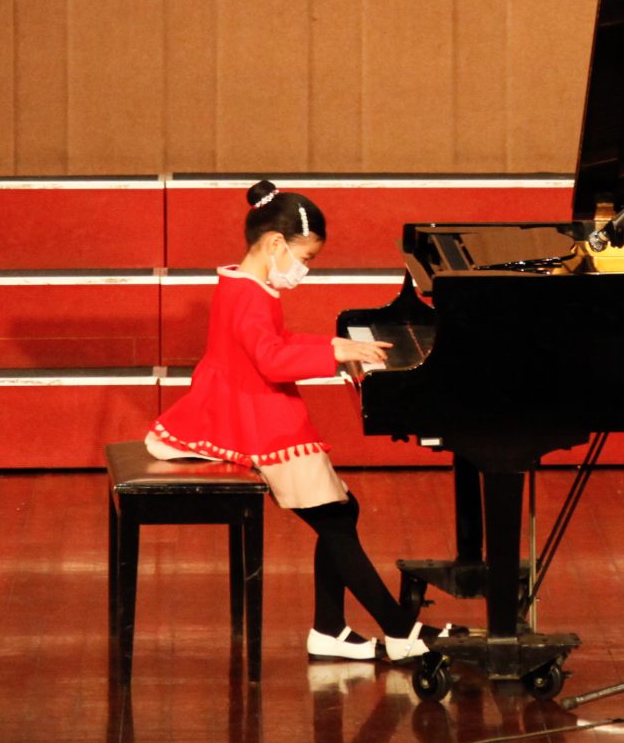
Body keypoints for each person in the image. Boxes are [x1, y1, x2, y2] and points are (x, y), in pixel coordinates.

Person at [146, 179, 439, 663]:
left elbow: (274, 343)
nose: (305, 269)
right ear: (276, 243)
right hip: (251, 417)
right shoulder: (249, 295)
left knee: (340, 513)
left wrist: (333, 346)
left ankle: (331, 630)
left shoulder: (244, 284)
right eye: (306, 258)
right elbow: (271, 360)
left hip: (246, 405)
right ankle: (399, 630)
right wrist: (332, 353)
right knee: (336, 519)